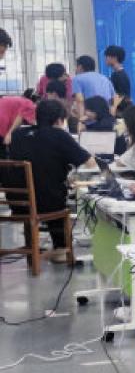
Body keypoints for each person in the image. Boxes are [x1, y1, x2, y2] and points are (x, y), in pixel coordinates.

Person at [3, 100, 96, 262]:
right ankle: (60, 249)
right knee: (54, 192)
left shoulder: (17, 134)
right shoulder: (59, 135)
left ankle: (46, 249)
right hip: (46, 204)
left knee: (47, 185)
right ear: (60, 120)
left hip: (18, 203)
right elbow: (90, 163)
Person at [104, 45, 131, 115]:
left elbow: (121, 95)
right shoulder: (117, 74)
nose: (105, 59)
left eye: (107, 56)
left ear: (115, 58)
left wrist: (113, 108)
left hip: (121, 112)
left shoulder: (119, 75)